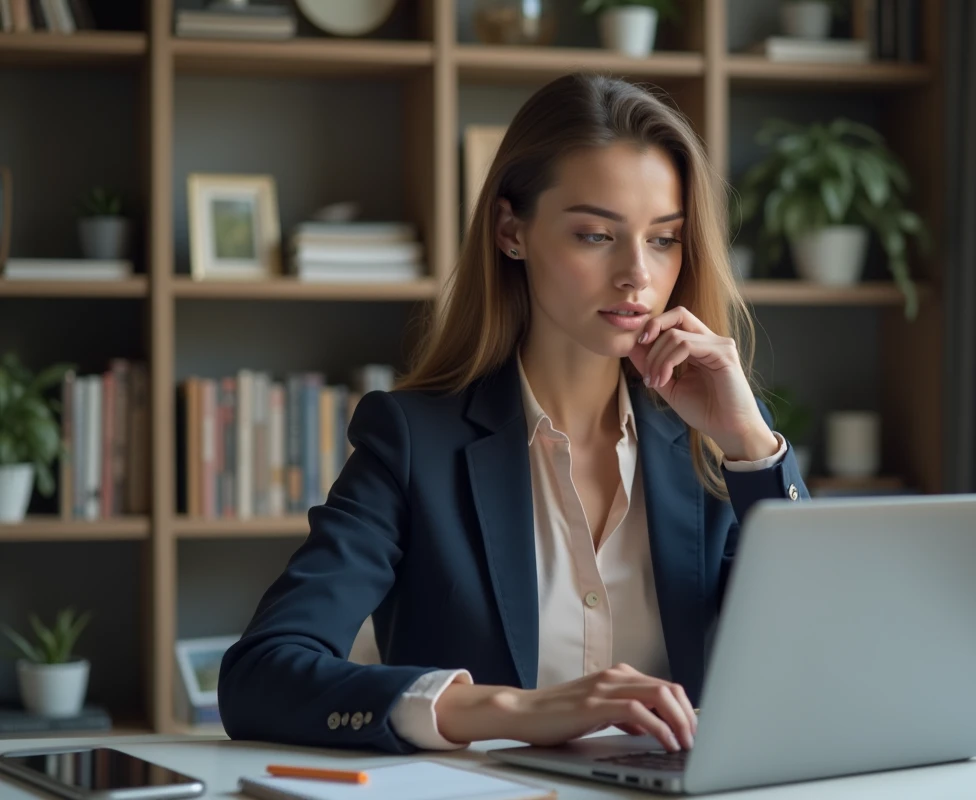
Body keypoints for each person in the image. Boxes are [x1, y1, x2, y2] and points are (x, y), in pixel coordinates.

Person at [217, 72, 808, 757]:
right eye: (596, 235)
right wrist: (511, 710)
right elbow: (260, 675)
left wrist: (751, 448)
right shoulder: (412, 443)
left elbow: (820, 656)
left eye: (663, 239)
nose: (637, 276)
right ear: (510, 230)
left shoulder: (716, 447)